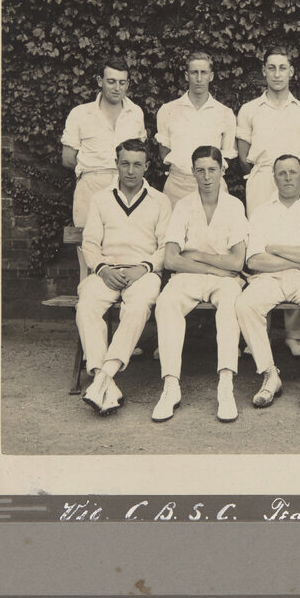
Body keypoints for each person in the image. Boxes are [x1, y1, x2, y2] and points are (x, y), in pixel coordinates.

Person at [235, 154, 300, 409]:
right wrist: (295, 260)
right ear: (274, 178)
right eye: (281, 173)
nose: (287, 178)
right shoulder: (261, 212)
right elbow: (254, 261)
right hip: (269, 278)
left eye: (292, 172)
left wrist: (273, 248)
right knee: (245, 305)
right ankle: (270, 375)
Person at [151, 146, 249, 423]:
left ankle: (226, 385)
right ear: (193, 172)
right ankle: (171, 385)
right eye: (200, 170)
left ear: (222, 171)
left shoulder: (234, 206)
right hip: (191, 276)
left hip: (225, 280)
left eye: (212, 170)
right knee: (166, 302)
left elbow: (238, 262)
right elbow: (171, 259)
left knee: (231, 304)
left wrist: (199, 257)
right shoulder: (182, 205)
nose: (206, 177)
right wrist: (212, 266)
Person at [76, 139, 171, 415]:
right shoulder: (101, 199)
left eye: (137, 164)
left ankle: (105, 373)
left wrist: (143, 268)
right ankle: (103, 379)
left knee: (138, 306)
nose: (130, 170)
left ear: (147, 167)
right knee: (87, 304)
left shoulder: (160, 201)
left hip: (143, 272)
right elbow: (91, 243)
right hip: (107, 270)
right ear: (116, 164)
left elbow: (166, 246)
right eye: (125, 163)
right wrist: (103, 269)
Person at [236, 46, 300, 355]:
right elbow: (243, 158)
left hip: (295, 181)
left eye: (282, 68)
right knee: (260, 250)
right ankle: (257, 330)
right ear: (264, 72)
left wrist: (292, 177)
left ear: (291, 72)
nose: (277, 74)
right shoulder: (249, 109)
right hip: (260, 181)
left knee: (295, 247)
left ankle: (294, 333)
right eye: (271, 68)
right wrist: (266, 173)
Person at [61, 60, 148, 278]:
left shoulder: (135, 112)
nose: (117, 88)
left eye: (122, 82)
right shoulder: (80, 113)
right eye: (111, 81)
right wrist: (96, 169)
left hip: (125, 186)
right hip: (90, 186)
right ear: (100, 82)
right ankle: (86, 302)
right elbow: (68, 158)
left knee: (123, 248)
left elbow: (138, 153)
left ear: (127, 84)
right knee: (88, 252)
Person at [155, 51, 237, 205]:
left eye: (204, 73)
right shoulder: (168, 110)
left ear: (211, 76)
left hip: (213, 186)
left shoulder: (225, 113)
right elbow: (164, 151)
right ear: (187, 76)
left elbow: (226, 155)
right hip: (177, 186)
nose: (199, 79)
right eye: (194, 73)